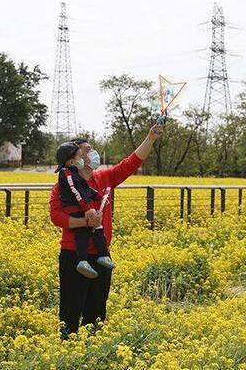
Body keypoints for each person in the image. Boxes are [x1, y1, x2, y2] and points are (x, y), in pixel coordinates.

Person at [50, 124, 163, 339]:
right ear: (75, 158)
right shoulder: (64, 185)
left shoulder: (103, 179)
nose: (93, 154)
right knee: (71, 311)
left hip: (101, 255)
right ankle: (67, 348)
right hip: (74, 254)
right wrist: (84, 221)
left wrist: (150, 138)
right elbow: (56, 216)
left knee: (97, 310)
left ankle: (92, 351)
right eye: (87, 150)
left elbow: (130, 163)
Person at [55, 141, 116, 279]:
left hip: (81, 207)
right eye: (80, 156)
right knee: (83, 232)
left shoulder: (74, 172)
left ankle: (102, 255)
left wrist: (99, 196)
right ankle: (83, 261)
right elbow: (76, 191)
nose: (83, 158)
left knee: (97, 229)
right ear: (71, 161)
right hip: (74, 209)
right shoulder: (67, 175)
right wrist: (87, 210)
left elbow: (86, 188)